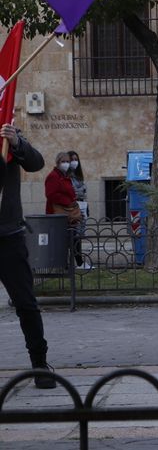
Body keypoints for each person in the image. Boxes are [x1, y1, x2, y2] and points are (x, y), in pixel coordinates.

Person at [0, 124, 56, 388]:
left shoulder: (7, 137)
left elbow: (36, 163)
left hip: (8, 236)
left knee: (26, 303)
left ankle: (40, 365)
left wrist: (17, 143)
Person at [45, 151, 84, 268]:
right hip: (59, 213)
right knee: (65, 239)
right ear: (57, 163)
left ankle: (74, 263)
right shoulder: (53, 176)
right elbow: (50, 195)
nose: (66, 164)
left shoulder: (64, 176)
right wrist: (68, 202)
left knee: (73, 237)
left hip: (68, 212)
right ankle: (64, 264)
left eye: (67, 161)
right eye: (63, 162)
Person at [66, 150, 90, 267]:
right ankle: (77, 262)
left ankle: (78, 262)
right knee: (73, 236)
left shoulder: (79, 176)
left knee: (78, 236)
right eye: (72, 160)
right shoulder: (66, 176)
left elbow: (83, 192)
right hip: (72, 207)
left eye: (76, 160)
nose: (74, 162)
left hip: (82, 206)